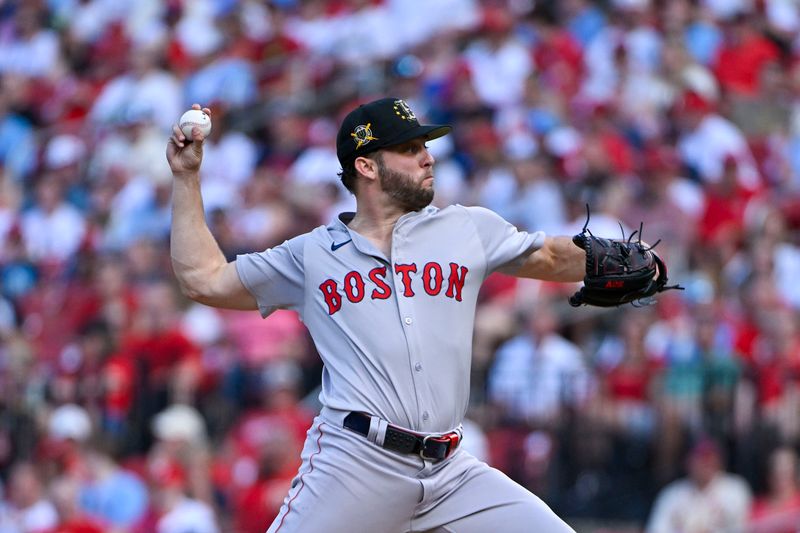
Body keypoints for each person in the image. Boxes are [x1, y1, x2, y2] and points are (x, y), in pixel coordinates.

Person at [167, 97, 597, 532]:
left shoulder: (465, 227)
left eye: (423, 147)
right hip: (355, 464)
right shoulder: (312, 255)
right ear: (367, 167)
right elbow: (203, 279)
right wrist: (186, 178)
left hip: (451, 470)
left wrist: (618, 258)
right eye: (410, 150)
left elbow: (547, 254)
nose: (428, 158)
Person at [645, 437, 752, 533]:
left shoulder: (735, 489)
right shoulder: (672, 495)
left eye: (710, 458)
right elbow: (656, 529)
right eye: (701, 459)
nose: (706, 464)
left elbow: (744, 527)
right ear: (688, 461)